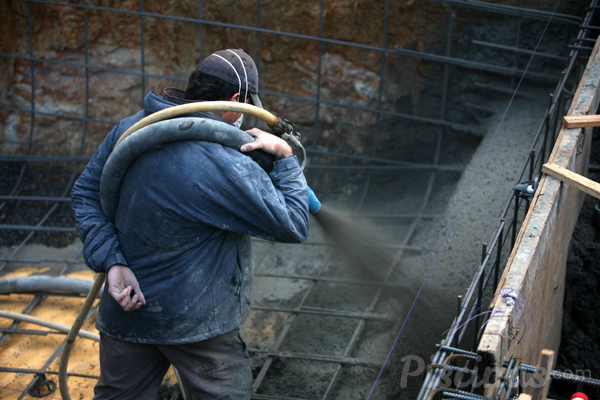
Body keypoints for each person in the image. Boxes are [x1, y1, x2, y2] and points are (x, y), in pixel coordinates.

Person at [71, 49, 309, 399]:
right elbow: (294, 224)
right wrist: (285, 158)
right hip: (198, 326)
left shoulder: (132, 129)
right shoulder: (223, 164)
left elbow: (85, 194)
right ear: (235, 102)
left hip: (126, 310)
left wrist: (113, 260)